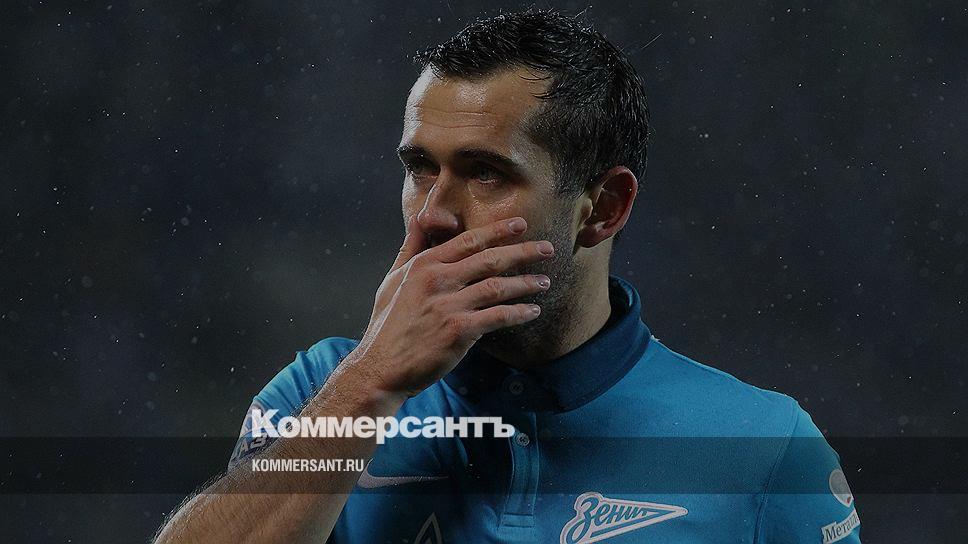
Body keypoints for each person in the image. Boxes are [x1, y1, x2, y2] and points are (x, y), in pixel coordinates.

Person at [155, 8, 861, 543]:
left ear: (602, 209)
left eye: (485, 173)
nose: (432, 214)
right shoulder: (321, 392)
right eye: (420, 168)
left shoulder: (763, 447)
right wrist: (370, 383)